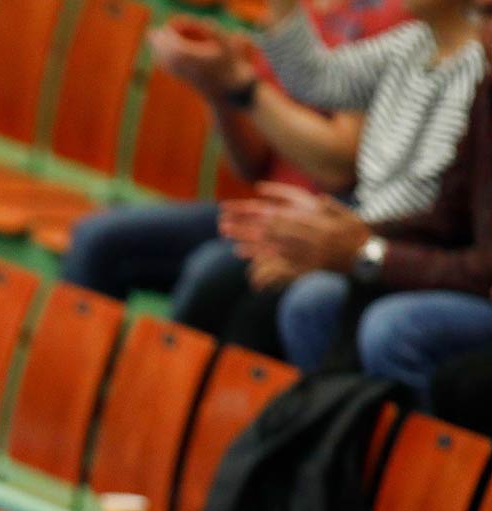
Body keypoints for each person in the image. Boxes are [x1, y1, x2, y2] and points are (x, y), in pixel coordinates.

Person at [59, 0, 399, 329]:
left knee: (208, 272)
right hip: (265, 209)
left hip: (326, 222)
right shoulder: (300, 9)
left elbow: (336, 168)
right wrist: (216, 89)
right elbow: (252, 166)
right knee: (97, 239)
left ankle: (166, 382)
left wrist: (243, 86)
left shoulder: (391, 16)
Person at [223, 65, 492, 395]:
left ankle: (399, 442)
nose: (484, 31)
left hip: (467, 283)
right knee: (307, 300)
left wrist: (365, 253)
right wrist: (341, 234)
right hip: (428, 259)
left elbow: (336, 164)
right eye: (482, 16)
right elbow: (448, 218)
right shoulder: (483, 82)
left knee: (392, 329)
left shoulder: (468, 71)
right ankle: (323, 432)